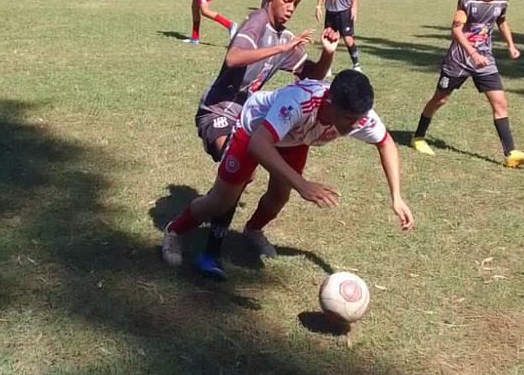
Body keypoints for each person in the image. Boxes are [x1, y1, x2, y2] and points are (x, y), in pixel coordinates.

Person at [162, 70, 414, 277]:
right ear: (329, 104)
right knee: (221, 200)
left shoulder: (359, 116)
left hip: (295, 139)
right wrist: (302, 185)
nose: (356, 125)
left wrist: (397, 196)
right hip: (254, 131)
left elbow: (386, 143)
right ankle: (174, 231)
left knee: (280, 196)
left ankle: (253, 230)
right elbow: (259, 144)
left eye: (359, 119)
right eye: (349, 118)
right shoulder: (298, 102)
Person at [193, 0, 339, 276]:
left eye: (296, 3)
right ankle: (204, 250)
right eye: (287, 0)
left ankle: (242, 234)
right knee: (239, 171)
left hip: (245, 115)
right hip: (217, 110)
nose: (291, 7)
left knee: (242, 177)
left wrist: (327, 53)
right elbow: (233, 58)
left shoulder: (282, 36)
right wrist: (283, 46)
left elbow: (310, 73)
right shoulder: (256, 23)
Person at [411, 0, 524, 169]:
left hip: (485, 59)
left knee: (500, 104)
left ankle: (510, 153)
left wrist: (511, 45)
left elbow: (501, 21)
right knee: (439, 100)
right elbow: (456, 30)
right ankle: (418, 137)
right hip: (459, 60)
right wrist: (473, 53)